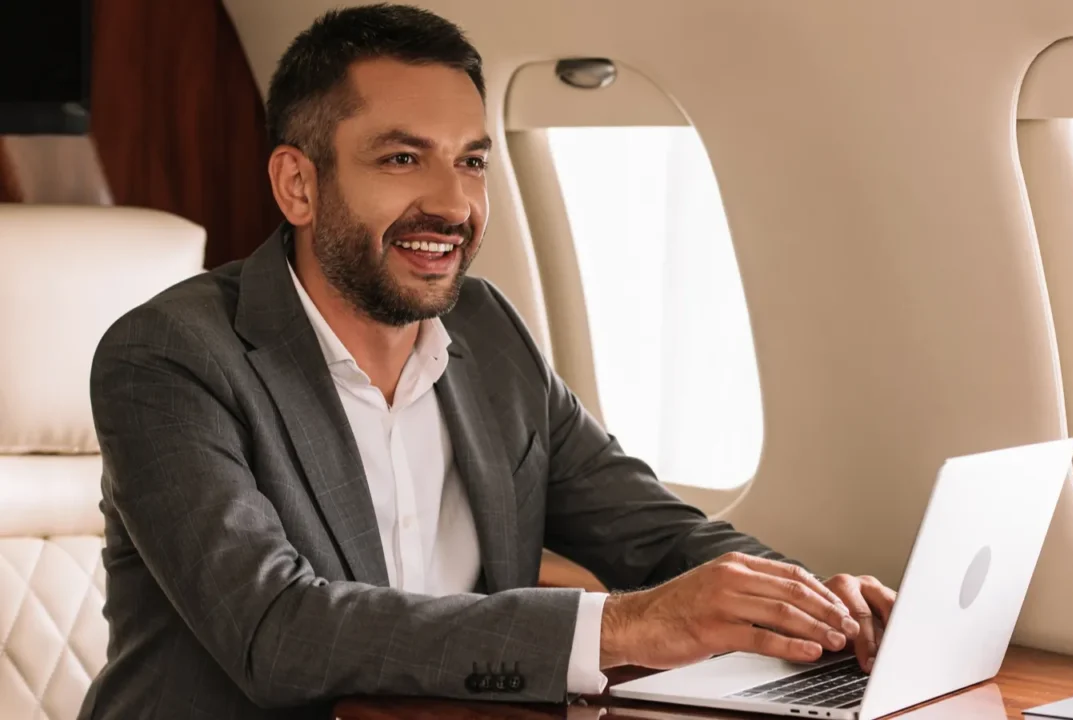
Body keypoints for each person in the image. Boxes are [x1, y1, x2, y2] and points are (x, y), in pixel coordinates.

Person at [80, 4, 895, 719]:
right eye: (402, 159)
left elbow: (650, 532)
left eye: (471, 160)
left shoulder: (489, 330)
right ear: (298, 185)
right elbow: (276, 632)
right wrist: (627, 625)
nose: (453, 204)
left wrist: (811, 603)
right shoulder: (169, 359)